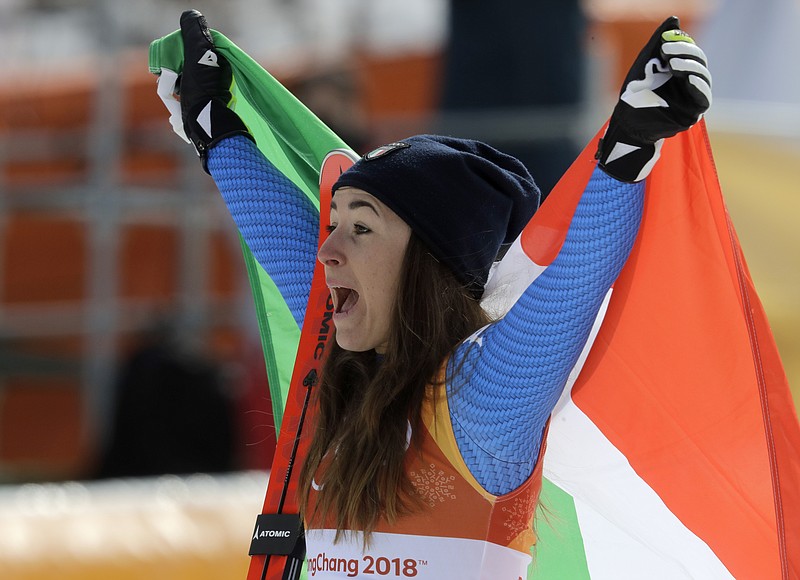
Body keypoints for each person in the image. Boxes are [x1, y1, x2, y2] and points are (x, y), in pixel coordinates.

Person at [159, 10, 710, 578]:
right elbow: (283, 238)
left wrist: (629, 145)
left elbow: (573, 283)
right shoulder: (349, 378)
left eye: (362, 228)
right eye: (333, 224)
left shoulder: (476, 407)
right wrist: (215, 131)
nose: (327, 252)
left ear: (425, 263)